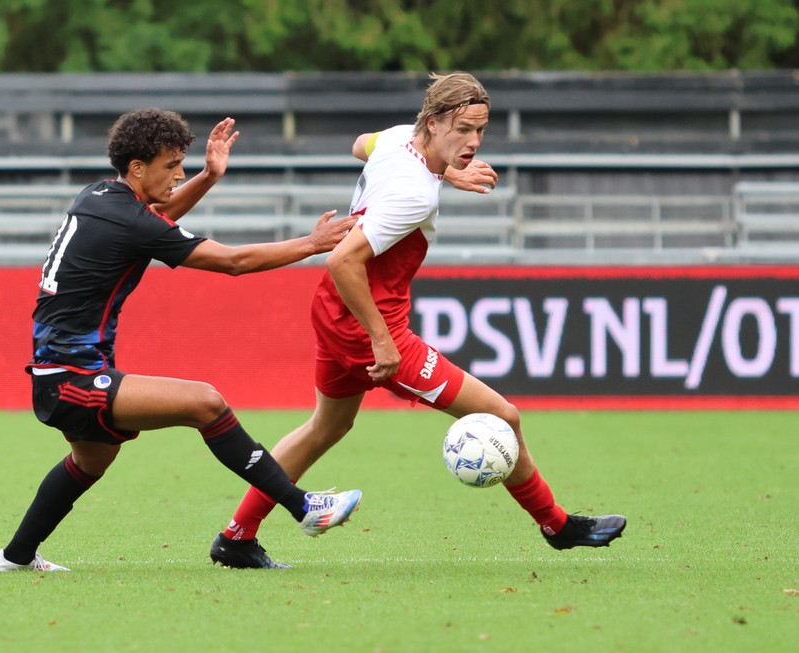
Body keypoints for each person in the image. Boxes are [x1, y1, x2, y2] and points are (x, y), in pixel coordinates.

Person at [209, 72, 626, 569]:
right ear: (433, 122)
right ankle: (557, 525)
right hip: (368, 322)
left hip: (332, 310)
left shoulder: (399, 139)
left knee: (327, 425)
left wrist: (445, 169)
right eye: (463, 129)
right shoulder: (415, 193)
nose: (473, 142)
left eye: (481, 131)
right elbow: (342, 260)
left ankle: (236, 537)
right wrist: (383, 343)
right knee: (504, 417)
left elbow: (358, 144)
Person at [0, 109, 362, 572]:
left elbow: (155, 217)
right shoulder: (129, 218)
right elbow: (233, 261)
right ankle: (304, 507)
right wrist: (312, 243)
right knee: (204, 403)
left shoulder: (99, 196)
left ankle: (15, 556)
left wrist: (208, 176)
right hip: (72, 376)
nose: (178, 173)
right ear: (138, 168)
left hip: (62, 370)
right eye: (171, 165)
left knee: (91, 461)